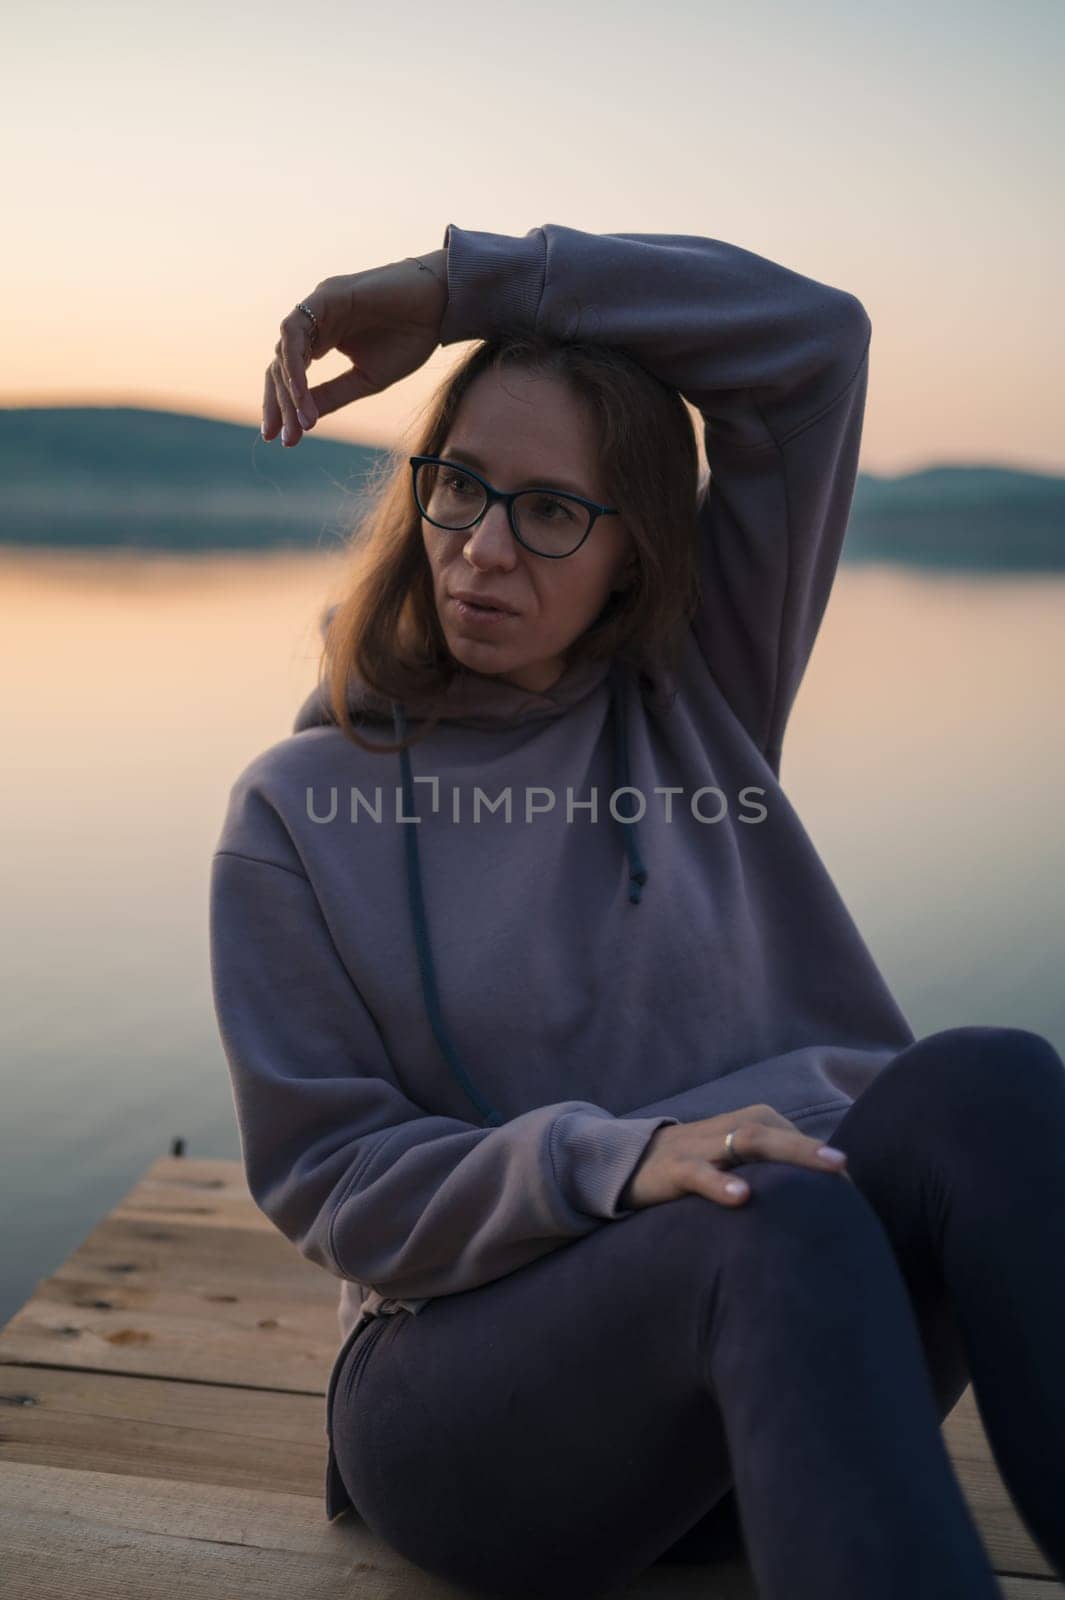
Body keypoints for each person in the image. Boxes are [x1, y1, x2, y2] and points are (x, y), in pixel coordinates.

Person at [209, 223, 1065, 1600]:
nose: (484, 548)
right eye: (460, 487)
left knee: (995, 1084)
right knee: (762, 1210)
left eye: (550, 510)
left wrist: (458, 290)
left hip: (783, 1387)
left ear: (633, 550)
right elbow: (333, 1179)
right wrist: (613, 1159)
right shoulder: (301, 812)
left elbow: (812, 345)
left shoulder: (693, 698)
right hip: (478, 1405)